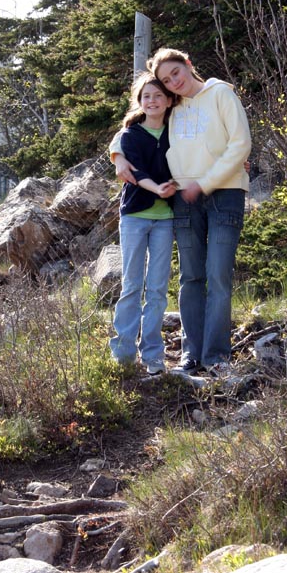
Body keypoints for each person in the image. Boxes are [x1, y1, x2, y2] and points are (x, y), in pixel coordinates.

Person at [110, 48, 251, 376]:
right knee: (191, 277)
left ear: (188, 64)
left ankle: (216, 356)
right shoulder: (174, 105)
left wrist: (205, 181)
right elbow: (139, 121)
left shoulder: (221, 93)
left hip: (224, 194)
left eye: (176, 73)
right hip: (184, 198)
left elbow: (240, 143)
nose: (174, 82)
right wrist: (117, 153)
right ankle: (192, 354)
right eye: (166, 80)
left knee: (217, 274)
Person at [109, 72, 177, 376]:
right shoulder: (131, 134)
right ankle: (123, 354)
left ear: (169, 100)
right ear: (139, 101)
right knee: (132, 284)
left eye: (158, 96)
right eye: (146, 96)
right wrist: (158, 188)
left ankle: (153, 355)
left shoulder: (177, 129)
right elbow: (134, 169)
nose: (152, 101)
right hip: (135, 216)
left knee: (158, 288)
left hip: (165, 219)